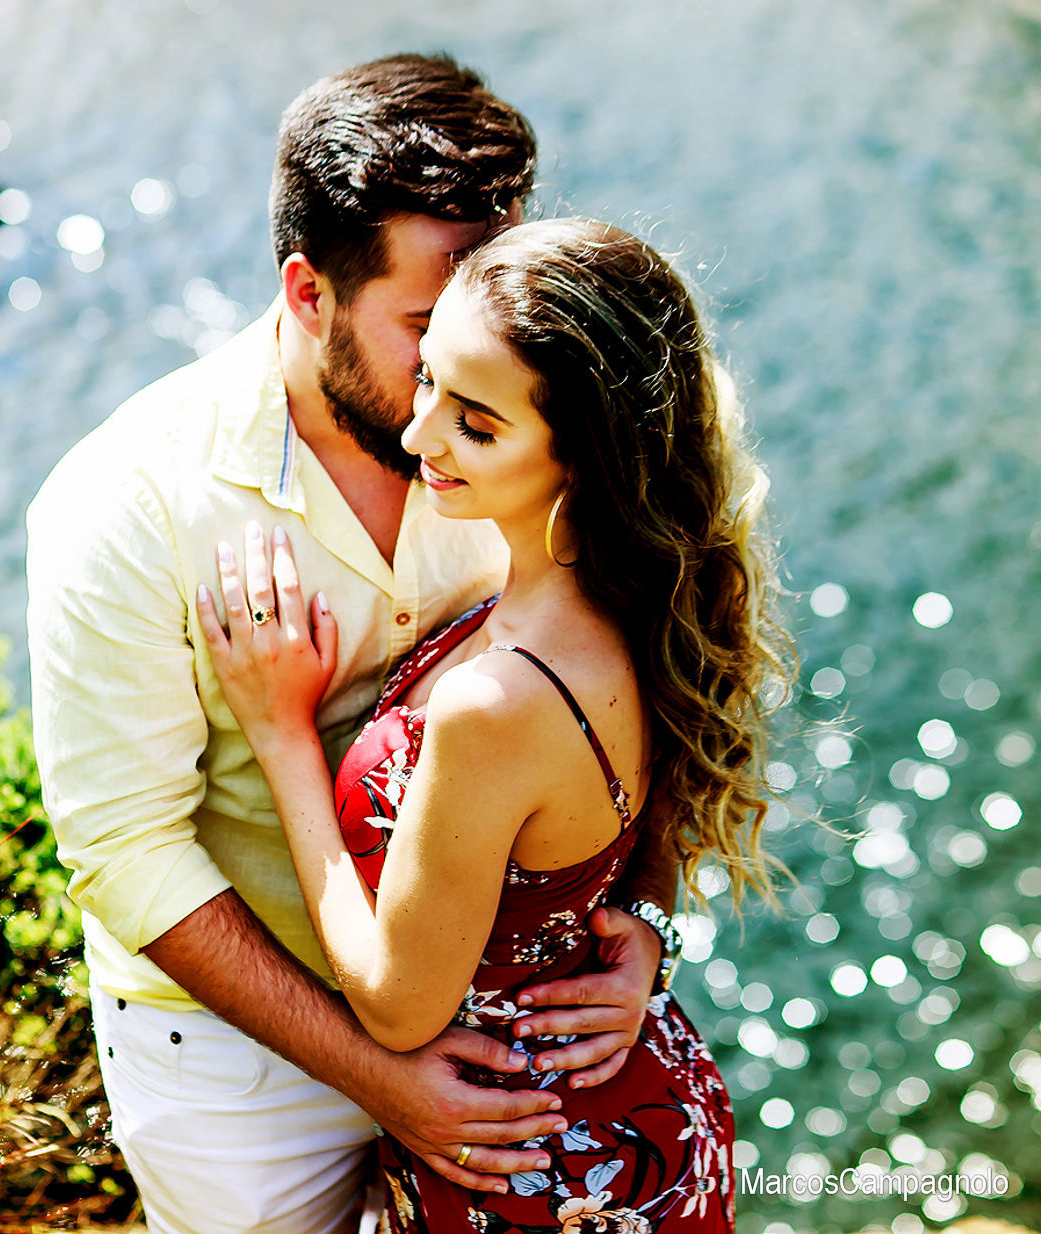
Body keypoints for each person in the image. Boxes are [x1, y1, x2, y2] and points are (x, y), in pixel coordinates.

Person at [26, 55, 686, 1233]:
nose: (463, 366)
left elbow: (651, 666)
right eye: (426, 327)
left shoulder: (525, 416)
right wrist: (377, 1070)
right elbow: (126, 850)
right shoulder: (127, 503)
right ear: (308, 291)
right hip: (240, 1076)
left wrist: (645, 916)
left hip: (503, 1033)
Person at [196, 218, 785, 1231]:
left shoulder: (498, 702)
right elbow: (651, 799)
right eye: (428, 379)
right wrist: (647, 926)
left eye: (475, 424)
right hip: (628, 1108)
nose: (418, 435)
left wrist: (280, 730)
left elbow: (396, 1007)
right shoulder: (642, 598)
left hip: (532, 1165)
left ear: (585, 459)